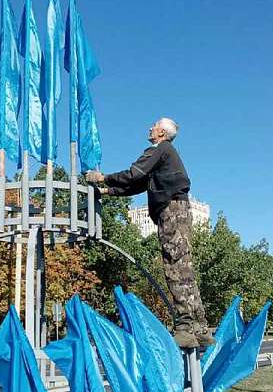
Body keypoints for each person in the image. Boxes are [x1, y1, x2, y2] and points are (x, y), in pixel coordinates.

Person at [85, 117, 213, 348]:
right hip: (178, 211)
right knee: (184, 268)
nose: (150, 128)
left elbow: (134, 173)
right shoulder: (165, 156)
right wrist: (107, 191)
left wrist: (102, 177)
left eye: (154, 125)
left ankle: (185, 327)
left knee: (174, 267)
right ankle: (200, 327)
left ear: (162, 133)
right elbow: (137, 184)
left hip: (171, 212)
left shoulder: (159, 149)